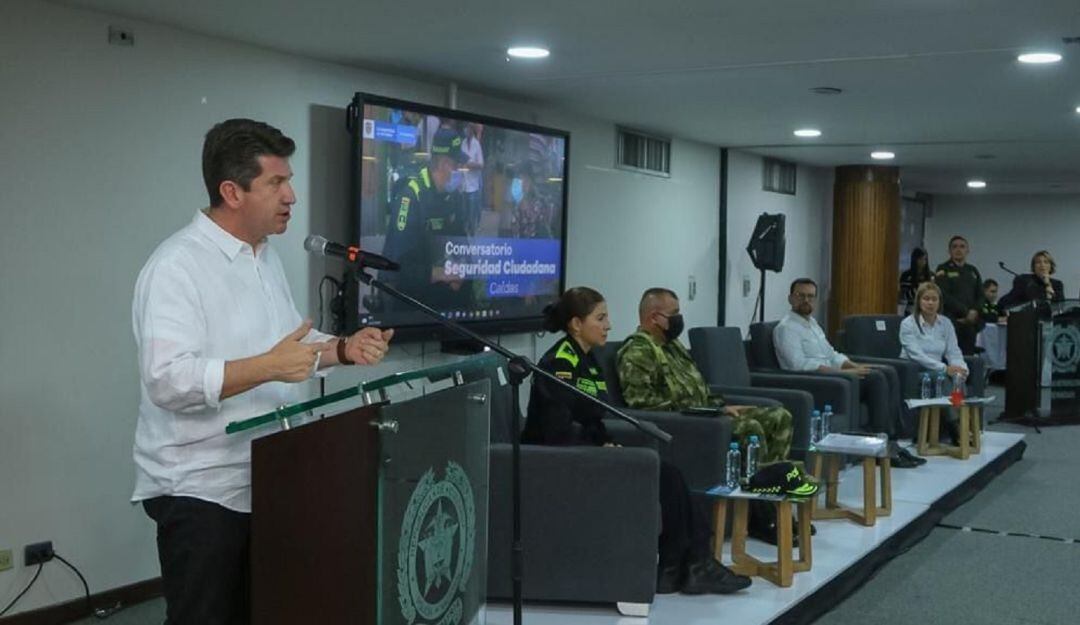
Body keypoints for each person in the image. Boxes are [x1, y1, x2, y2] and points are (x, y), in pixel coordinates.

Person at [132, 119, 394, 625]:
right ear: (232, 192)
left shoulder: (264, 258)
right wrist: (269, 367)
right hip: (200, 489)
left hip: (270, 475)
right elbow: (167, 380)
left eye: (288, 181)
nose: (291, 196)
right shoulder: (176, 267)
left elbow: (287, 346)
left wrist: (343, 349)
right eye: (276, 183)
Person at [523, 287, 752, 595]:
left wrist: (605, 441)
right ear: (576, 324)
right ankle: (690, 566)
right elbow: (556, 430)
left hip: (585, 452)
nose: (608, 326)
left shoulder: (588, 359)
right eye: (600, 318)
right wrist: (600, 448)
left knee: (672, 476)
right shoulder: (559, 363)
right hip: (561, 462)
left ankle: (679, 567)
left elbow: (592, 418)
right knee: (667, 476)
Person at [616, 288, 794, 465]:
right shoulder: (638, 352)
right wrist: (711, 412)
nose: (679, 319)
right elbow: (644, 406)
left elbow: (697, 388)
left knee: (780, 417)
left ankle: (775, 476)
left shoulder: (672, 346)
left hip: (707, 413)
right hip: (685, 423)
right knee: (750, 428)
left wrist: (721, 407)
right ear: (654, 318)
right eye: (674, 314)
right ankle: (756, 480)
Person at [773, 278, 924, 468]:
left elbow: (832, 354)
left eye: (810, 296)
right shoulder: (786, 328)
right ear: (790, 298)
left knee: (887, 372)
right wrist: (844, 372)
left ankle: (892, 441)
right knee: (876, 378)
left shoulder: (813, 324)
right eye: (800, 295)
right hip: (816, 382)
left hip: (834, 375)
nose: (806, 300)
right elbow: (800, 365)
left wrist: (855, 366)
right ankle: (881, 447)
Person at [381, 127, 469, 311]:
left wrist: (461, 270)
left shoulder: (454, 198)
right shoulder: (411, 196)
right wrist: (437, 274)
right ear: (444, 163)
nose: (460, 171)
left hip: (443, 299)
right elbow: (396, 268)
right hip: (410, 301)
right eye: (457, 166)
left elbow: (463, 246)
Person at [899, 281, 969, 444]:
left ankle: (960, 421)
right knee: (943, 379)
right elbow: (916, 355)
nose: (930, 303)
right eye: (926, 299)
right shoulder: (908, 324)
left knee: (957, 379)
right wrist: (945, 368)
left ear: (939, 302)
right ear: (919, 301)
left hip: (937, 370)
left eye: (934, 299)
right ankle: (956, 427)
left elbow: (953, 351)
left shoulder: (945, 323)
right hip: (914, 371)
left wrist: (961, 368)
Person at [934, 235, 985, 354]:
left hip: (971, 323)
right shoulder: (943, 269)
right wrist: (966, 312)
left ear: (967, 250)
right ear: (949, 251)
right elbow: (943, 295)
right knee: (951, 355)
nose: (958, 249)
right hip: (952, 321)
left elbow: (981, 295)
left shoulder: (972, 270)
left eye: (962, 247)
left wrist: (974, 311)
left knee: (968, 356)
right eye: (954, 247)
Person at [998, 250, 1065, 310]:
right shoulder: (1024, 280)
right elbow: (1008, 300)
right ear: (1034, 266)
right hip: (1027, 316)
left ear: (1051, 266)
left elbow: (1061, 306)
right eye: (1038, 262)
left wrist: (1047, 284)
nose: (1042, 265)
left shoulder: (1057, 284)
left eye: (1046, 262)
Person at [461, 123, 484, 234]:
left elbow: (481, 165)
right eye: (466, 128)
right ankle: (466, 231)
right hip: (463, 183)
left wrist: (470, 165)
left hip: (473, 184)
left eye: (469, 128)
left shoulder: (476, 144)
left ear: (472, 130)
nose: (466, 130)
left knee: (472, 211)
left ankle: (473, 230)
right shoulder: (463, 143)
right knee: (465, 211)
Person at [899, 248, 932, 315]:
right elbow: (904, 296)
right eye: (920, 259)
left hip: (928, 310)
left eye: (925, 259)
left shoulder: (931, 276)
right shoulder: (906, 275)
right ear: (915, 260)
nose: (923, 262)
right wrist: (918, 288)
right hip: (911, 309)